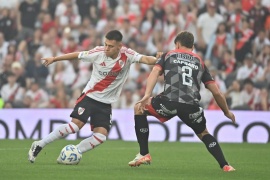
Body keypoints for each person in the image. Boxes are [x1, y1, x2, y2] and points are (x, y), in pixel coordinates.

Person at [28, 30, 157, 163]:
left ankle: (73, 152)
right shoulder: (98, 53)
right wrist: (55, 59)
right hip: (90, 97)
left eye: (110, 46)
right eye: (105, 44)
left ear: (119, 46)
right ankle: (39, 144)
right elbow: (77, 55)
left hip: (105, 103)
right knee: (74, 127)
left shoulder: (127, 55)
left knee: (101, 136)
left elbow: (146, 59)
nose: (106, 48)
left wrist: (159, 60)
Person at [128, 31, 236, 172]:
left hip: (169, 102)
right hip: (191, 106)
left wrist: (147, 95)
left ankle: (144, 153)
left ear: (177, 44)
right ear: (192, 47)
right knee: (204, 133)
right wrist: (226, 111)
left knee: (138, 108)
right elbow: (216, 92)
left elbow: (155, 72)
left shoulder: (169, 54)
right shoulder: (200, 62)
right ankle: (225, 165)